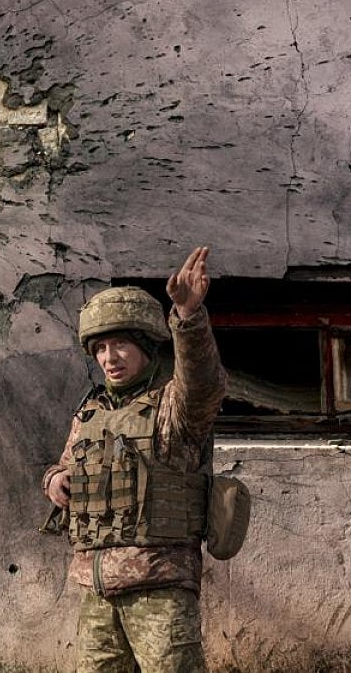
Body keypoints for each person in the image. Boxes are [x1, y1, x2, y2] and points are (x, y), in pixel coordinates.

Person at [41, 246, 227, 673]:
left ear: (145, 347)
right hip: (95, 587)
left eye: (121, 344)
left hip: (158, 586)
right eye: (101, 348)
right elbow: (64, 466)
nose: (110, 358)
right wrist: (54, 480)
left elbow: (204, 380)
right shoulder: (91, 412)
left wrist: (188, 317)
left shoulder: (173, 407)